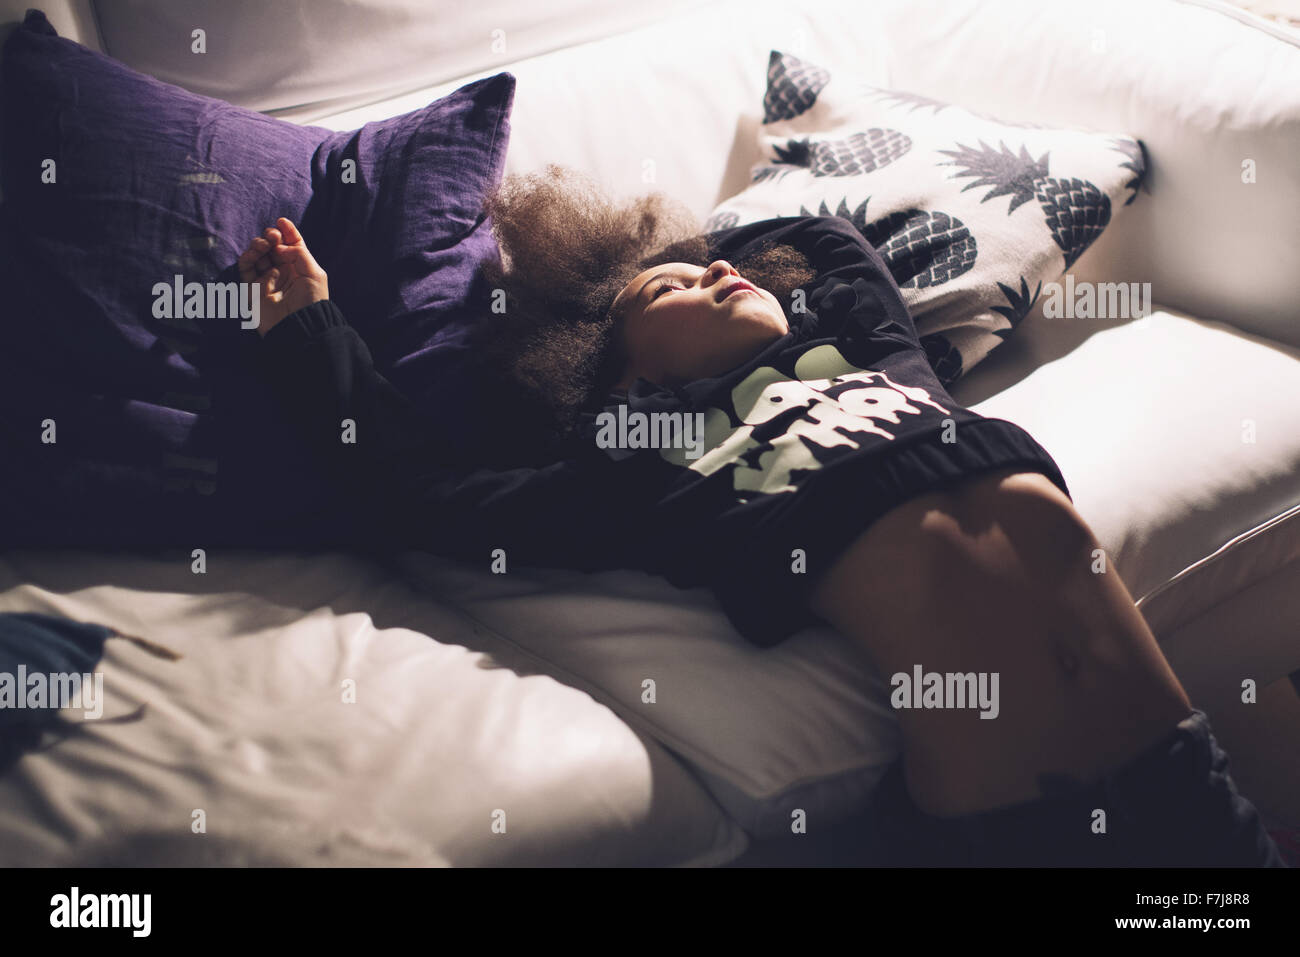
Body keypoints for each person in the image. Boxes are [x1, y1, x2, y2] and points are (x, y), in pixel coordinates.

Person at [238, 165, 1286, 868]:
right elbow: (415, 493)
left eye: (714, 263)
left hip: (1180, 771)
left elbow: (828, 244)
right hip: (1016, 829)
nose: (718, 269)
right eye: (676, 289)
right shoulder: (658, 460)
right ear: (624, 380)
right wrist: (307, 331)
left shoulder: (882, 362)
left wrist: (662, 253)